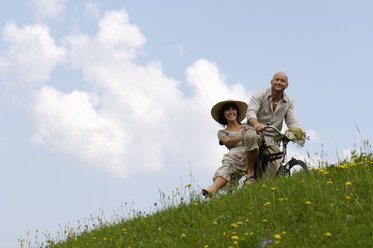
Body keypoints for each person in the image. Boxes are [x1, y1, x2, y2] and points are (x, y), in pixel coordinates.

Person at [242, 72, 302, 181]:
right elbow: (251, 113)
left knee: (276, 162)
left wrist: (298, 132)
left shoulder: (289, 102)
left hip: (272, 137)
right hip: (254, 130)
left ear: (287, 85)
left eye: (282, 81)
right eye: (277, 80)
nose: (279, 82)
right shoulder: (259, 95)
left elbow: (292, 121)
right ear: (271, 82)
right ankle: (250, 173)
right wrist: (256, 125)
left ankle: (263, 188)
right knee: (252, 137)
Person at [202, 99, 248, 197]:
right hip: (236, 156)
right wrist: (242, 136)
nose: (231, 112)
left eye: (233, 109)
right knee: (228, 165)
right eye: (227, 110)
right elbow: (228, 141)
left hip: (250, 151)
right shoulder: (222, 132)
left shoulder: (247, 126)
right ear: (223, 114)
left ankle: (213, 189)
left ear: (237, 112)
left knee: (229, 161)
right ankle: (214, 190)